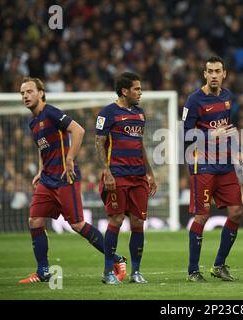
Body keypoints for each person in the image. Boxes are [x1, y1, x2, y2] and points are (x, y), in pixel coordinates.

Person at [18, 77, 126, 284]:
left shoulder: (51, 112)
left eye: (29, 91)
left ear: (41, 93)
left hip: (65, 177)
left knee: (77, 224)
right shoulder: (33, 122)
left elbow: (78, 130)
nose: (25, 96)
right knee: (34, 220)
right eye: (22, 93)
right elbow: (43, 148)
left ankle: (116, 259)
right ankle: (43, 272)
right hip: (47, 180)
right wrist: (41, 170)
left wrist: (69, 158)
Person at [183, 56, 243, 282]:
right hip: (204, 166)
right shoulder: (194, 100)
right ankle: (193, 270)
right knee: (202, 215)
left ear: (224, 74)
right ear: (204, 74)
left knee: (237, 212)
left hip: (226, 165)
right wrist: (210, 135)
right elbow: (186, 135)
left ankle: (219, 265)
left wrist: (238, 154)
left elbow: (228, 130)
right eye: (209, 71)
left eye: (217, 71)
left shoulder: (228, 97)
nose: (213, 75)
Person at [95, 72, 157, 285]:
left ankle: (136, 272)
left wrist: (150, 173)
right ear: (124, 91)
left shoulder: (140, 114)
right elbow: (99, 143)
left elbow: (140, 146)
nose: (140, 92)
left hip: (138, 176)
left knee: (138, 222)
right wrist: (107, 172)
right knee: (117, 220)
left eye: (140, 89)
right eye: (137, 89)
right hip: (117, 176)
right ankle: (107, 272)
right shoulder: (108, 113)